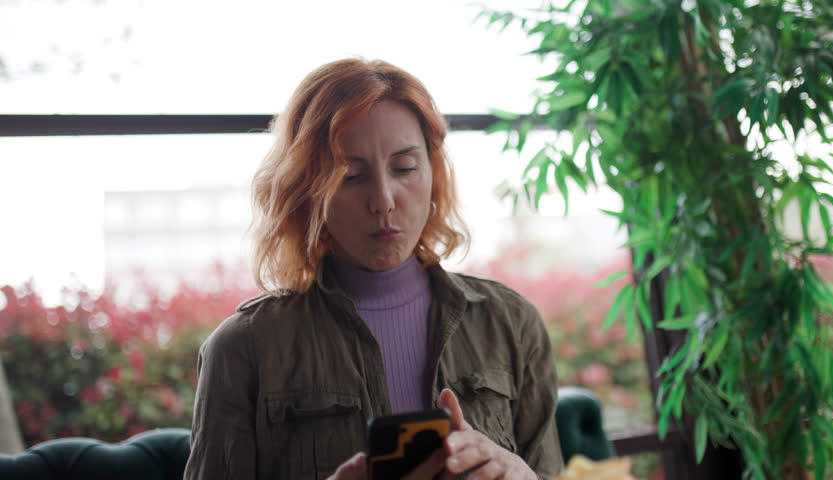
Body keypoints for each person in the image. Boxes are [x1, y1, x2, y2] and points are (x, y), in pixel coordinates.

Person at [183, 58, 563, 480]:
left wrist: (522, 475)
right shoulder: (242, 350)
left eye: (404, 169)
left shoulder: (511, 323)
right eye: (350, 176)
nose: (383, 199)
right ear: (309, 189)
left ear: (433, 174)